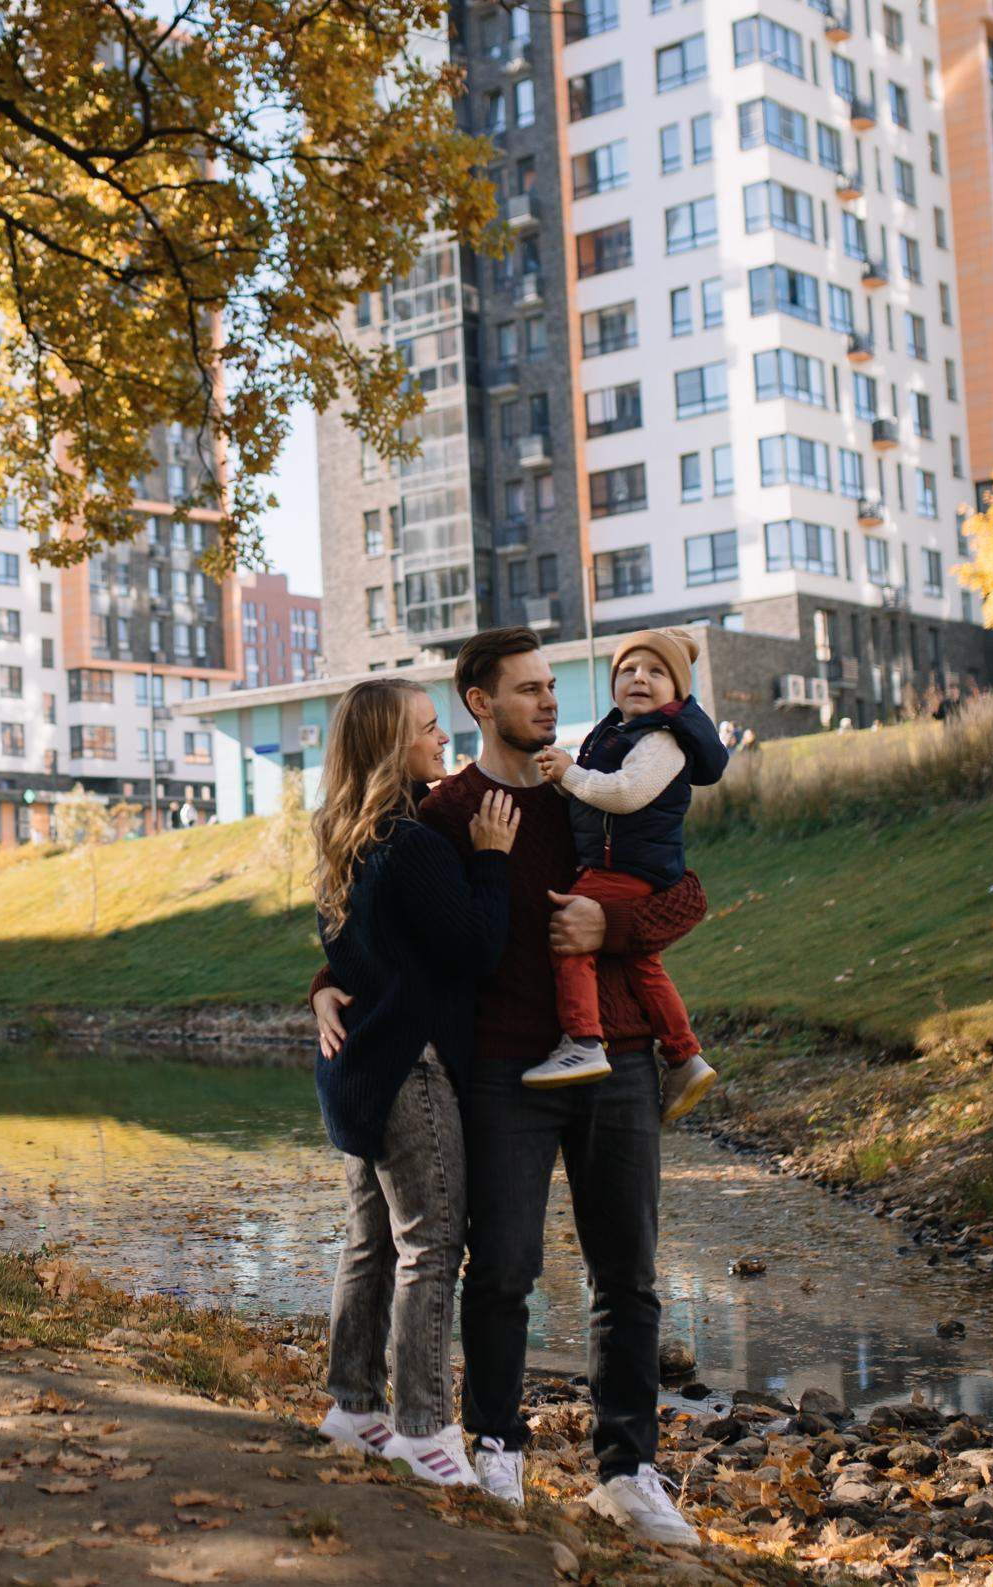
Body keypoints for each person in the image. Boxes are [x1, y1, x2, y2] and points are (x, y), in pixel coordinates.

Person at [310, 628, 707, 1544]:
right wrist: (325, 985)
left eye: (550, 686)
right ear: (479, 703)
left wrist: (609, 927)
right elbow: (381, 917)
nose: (548, 701)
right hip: (500, 1067)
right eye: (526, 689)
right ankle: (496, 1446)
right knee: (500, 1271)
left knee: (629, 1276)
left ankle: (629, 1472)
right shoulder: (446, 811)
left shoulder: (595, 788)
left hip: (620, 1054)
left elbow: (685, 897)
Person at [307, 678, 519, 1487]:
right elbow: (476, 948)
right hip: (408, 1067)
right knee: (430, 1245)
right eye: (429, 728)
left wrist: (319, 987)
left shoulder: (340, 838)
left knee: (370, 1240)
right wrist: (494, 862)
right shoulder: (414, 841)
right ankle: (425, 1432)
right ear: (391, 747)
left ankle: (355, 1406)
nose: (444, 738)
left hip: (355, 1068)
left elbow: (368, 954)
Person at [521, 629, 726, 1126]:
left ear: (677, 692)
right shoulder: (619, 732)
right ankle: (683, 1055)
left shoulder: (662, 741)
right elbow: (601, 797)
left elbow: (625, 795)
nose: (640, 679)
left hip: (627, 869)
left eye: (657, 672)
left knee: (570, 934)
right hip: (625, 863)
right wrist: (565, 779)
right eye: (628, 670)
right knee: (642, 964)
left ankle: (584, 1041)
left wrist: (569, 775)